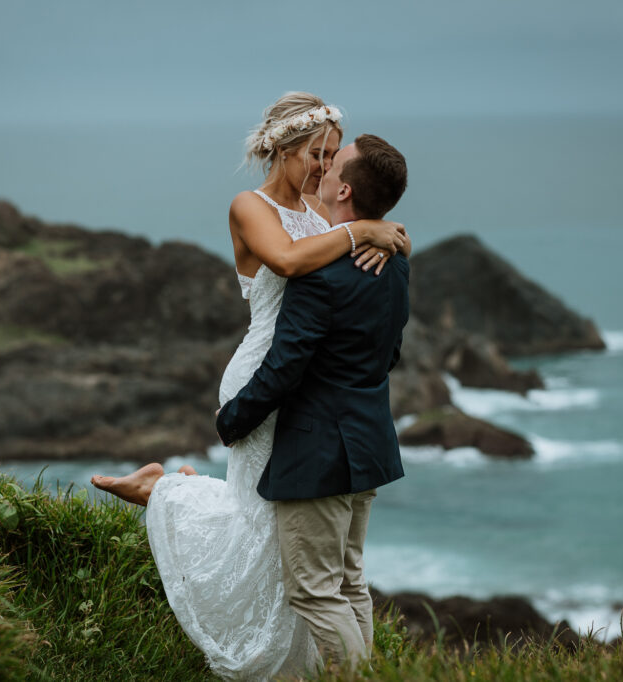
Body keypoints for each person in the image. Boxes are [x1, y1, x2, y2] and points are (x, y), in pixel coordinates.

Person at [90, 92, 408, 680]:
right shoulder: (249, 206)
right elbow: (287, 262)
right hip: (264, 372)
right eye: (316, 152)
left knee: (270, 528)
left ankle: (167, 489)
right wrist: (365, 229)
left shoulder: (328, 210)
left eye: (333, 154)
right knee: (263, 520)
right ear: (283, 149)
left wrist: (382, 233)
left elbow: (349, 259)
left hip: (308, 388)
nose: (323, 165)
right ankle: (166, 495)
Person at [215, 133, 410, 669]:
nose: (322, 169)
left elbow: (286, 363)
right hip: (369, 440)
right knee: (349, 583)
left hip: (319, 449)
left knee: (316, 593)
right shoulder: (392, 260)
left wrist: (233, 419)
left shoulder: (316, 271)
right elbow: (388, 350)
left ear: (343, 189)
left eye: (333, 161)